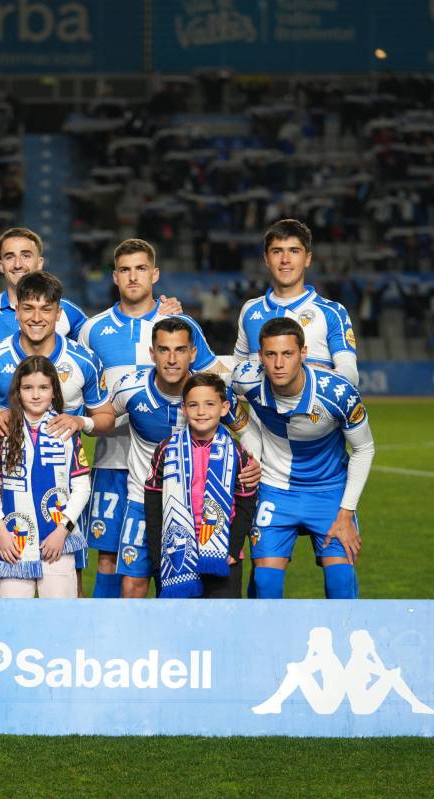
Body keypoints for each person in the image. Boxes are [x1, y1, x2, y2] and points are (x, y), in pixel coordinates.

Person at [78, 238, 218, 599]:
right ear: (114, 277)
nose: (133, 277)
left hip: (173, 469)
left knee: (171, 560)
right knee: (110, 558)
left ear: (154, 274)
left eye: (141, 268)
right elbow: (86, 392)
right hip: (112, 461)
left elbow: (212, 381)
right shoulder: (93, 329)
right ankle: (108, 631)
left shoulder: (177, 323)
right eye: (124, 270)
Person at [0, 270, 114, 596]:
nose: (36, 317)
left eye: (46, 309)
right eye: (28, 308)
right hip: (8, 486)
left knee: (66, 586)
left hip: (61, 494)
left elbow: (105, 418)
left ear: (58, 313)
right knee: (2, 587)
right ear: (17, 311)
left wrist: (81, 423)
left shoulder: (83, 359)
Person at [111, 319, 259, 598]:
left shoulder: (211, 391)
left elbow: (248, 432)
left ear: (193, 353)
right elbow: (103, 417)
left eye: (180, 350)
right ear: (152, 353)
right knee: (134, 585)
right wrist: (82, 422)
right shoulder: (129, 388)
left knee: (217, 598)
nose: (171, 359)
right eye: (163, 350)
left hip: (207, 511)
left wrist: (253, 464)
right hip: (147, 500)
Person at [232, 317, 375, 599]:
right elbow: (217, 390)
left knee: (340, 581)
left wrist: (346, 513)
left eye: (287, 353)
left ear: (303, 353)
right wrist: (245, 429)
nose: (279, 363)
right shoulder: (246, 378)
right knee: (265, 581)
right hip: (275, 488)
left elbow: (364, 449)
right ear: (260, 356)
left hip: (329, 492)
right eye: (271, 354)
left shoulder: (338, 393)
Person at [0, 357, 92, 598]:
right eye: (27, 388)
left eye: (43, 387)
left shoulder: (66, 429)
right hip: (13, 542)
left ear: (54, 391)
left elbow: (82, 487)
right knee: (12, 615)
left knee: (60, 614)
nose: (35, 395)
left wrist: (62, 531)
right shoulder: (3, 429)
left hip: (58, 541)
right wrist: (1, 532)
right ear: (17, 392)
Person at [143, 372, 254, 598]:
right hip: (177, 554)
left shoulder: (237, 451)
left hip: (222, 553)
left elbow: (246, 503)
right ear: (184, 409)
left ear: (224, 408)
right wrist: (157, 556)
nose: (201, 412)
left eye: (210, 404)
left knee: (222, 618)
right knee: (177, 619)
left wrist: (233, 548)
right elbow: (153, 504)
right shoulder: (166, 449)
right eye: (193, 405)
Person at [235, 219, 359, 385]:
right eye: (277, 251)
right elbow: (237, 370)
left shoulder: (332, 312)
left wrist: (309, 374)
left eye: (294, 251)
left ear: (307, 258)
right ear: (266, 259)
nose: (285, 259)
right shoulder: (250, 310)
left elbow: (351, 375)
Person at [0, 227, 87, 348]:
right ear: (1, 266)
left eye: (26, 256)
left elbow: (92, 350)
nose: (18, 265)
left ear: (39, 263)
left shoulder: (66, 311)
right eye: (10, 257)